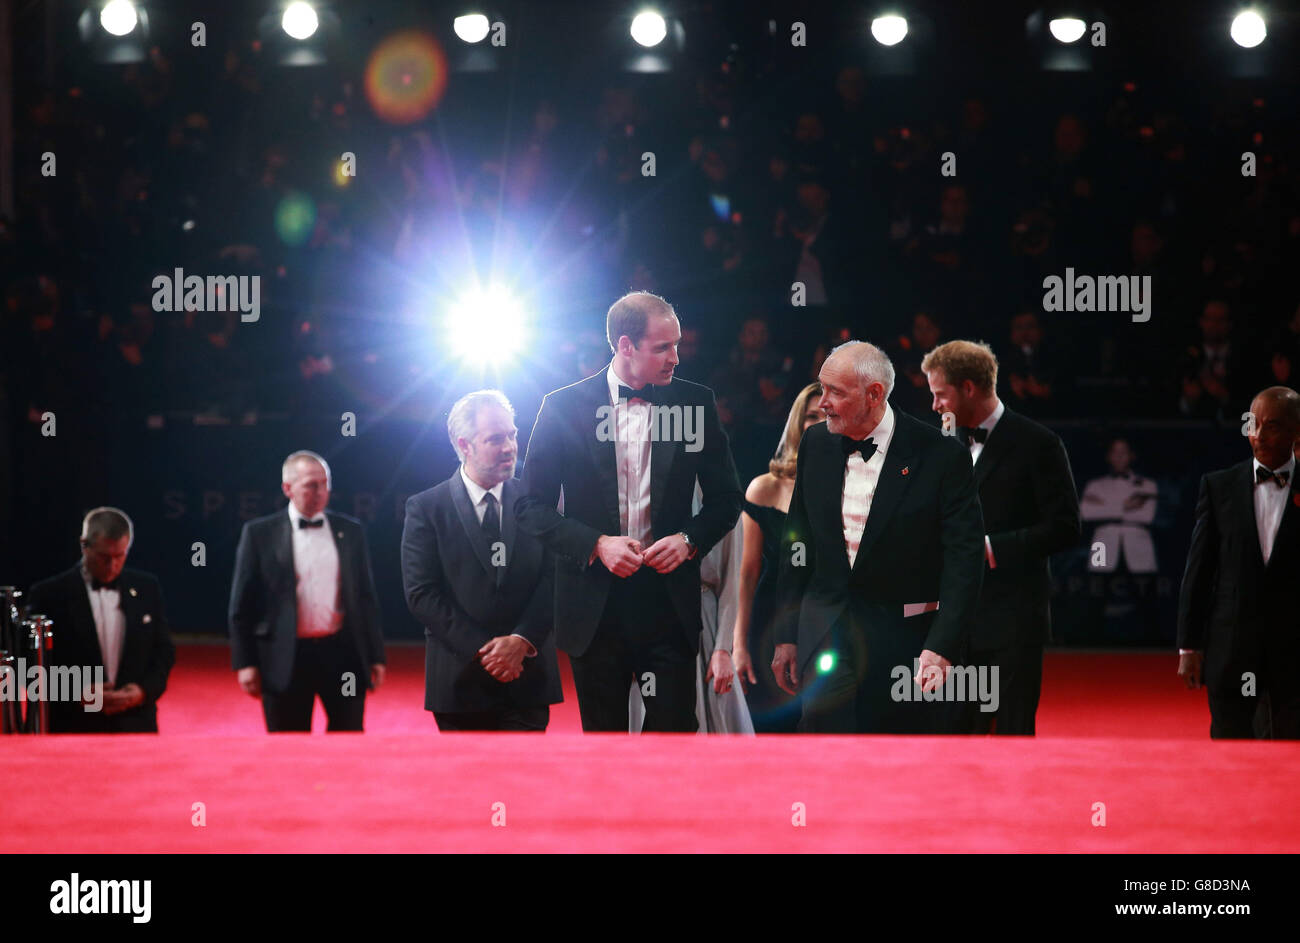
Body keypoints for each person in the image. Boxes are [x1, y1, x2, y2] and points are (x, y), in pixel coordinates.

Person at [517, 290, 742, 732]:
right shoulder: (562, 408)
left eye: (677, 344)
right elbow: (529, 507)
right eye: (663, 347)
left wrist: (689, 540)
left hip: (668, 604)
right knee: (605, 746)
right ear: (625, 345)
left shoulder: (695, 404)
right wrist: (596, 545)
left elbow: (727, 499)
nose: (676, 357)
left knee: (674, 739)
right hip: (594, 608)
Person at [773, 340, 985, 733]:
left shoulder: (941, 456)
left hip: (905, 642)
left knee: (896, 763)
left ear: (874, 394)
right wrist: (786, 635)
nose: (823, 403)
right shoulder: (816, 443)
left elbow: (964, 561)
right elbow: (796, 543)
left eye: (836, 392)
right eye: (823, 389)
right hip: (826, 635)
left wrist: (942, 645)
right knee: (820, 756)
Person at [922, 340, 1081, 735]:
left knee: (1012, 737)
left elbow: (1064, 527)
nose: (935, 406)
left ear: (969, 389)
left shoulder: (1039, 444)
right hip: (954, 623)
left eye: (940, 394)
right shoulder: (944, 443)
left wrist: (991, 549)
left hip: (1013, 622)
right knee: (951, 739)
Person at [401, 390, 562, 731]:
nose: (509, 447)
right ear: (464, 445)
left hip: (529, 680)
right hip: (459, 684)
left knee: (526, 784)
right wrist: (485, 651)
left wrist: (521, 642)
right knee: (468, 786)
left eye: (512, 435)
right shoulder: (426, 508)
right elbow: (422, 594)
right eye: (494, 439)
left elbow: (557, 578)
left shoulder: (539, 502)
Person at [229, 451, 387, 732]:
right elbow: (242, 605)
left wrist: (375, 656)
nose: (321, 492)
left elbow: (365, 599)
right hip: (283, 657)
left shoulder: (351, 532)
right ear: (287, 489)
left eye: (326, 484)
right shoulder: (258, 534)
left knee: (349, 742)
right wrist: (245, 663)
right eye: (312, 485)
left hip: (343, 655)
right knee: (288, 750)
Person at [1177, 386, 1300, 739]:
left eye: (1272, 426)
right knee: (1229, 756)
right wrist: (1189, 646)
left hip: (1293, 655)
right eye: (1253, 424)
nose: (1258, 435)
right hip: (1230, 652)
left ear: (1297, 431)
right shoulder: (1219, 487)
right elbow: (1198, 572)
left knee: (1291, 759)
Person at [25, 507, 175, 733]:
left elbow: (163, 651)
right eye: (104, 557)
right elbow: (28, 667)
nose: (112, 566)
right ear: (84, 545)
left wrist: (143, 691)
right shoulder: (48, 595)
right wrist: (77, 694)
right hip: (72, 728)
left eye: (120, 556)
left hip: (136, 726)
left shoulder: (147, 588)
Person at [732, 381, 823, 732]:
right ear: (798, 423)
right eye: (810, 416)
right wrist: (737, 644)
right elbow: (746, 573)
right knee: (769, 734)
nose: (817, 424)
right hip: (767, 624)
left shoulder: (856, 482)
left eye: (826, 415)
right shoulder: (765, 487)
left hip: (825, 621)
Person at [628, 484, 753, 734]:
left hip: (704, 623)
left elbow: (731, 584)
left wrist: (723, 650)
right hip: (652, 622)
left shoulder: (723, 507)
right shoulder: (643, 498)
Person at [1079, 437, 1158, 575]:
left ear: (1132, 455)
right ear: (1108, 456)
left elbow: (1147, 516)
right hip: (1102, 546)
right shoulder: (1095, 485)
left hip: (1139, 548)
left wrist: (1104, 506)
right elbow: (1085, 513)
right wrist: (1126, 506)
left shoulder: (1148, 485)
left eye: (1124, 452)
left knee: (1142, 591)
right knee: (1098, 588)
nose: (1119, 456)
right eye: (1115, 452)